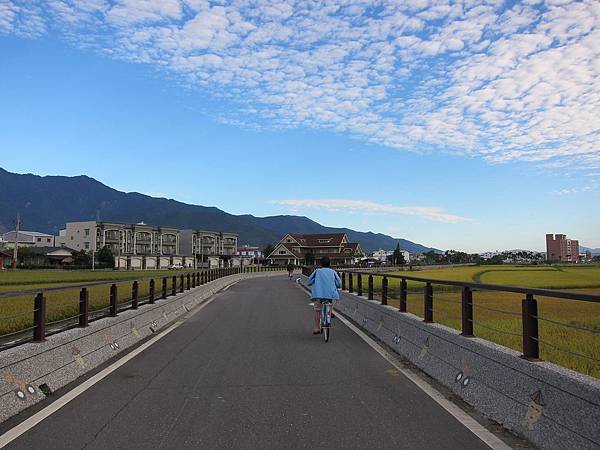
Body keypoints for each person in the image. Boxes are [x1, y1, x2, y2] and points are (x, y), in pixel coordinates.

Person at [307, 256, 341, 334]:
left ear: (321, 264)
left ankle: (317, 328)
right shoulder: (333, 271)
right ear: (330, 264)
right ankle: (330, 312)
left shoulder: (317, 271)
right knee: (330, 300)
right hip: (330, 294)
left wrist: (313, 282)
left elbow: (309, 281)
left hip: (319, 294)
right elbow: (339, 283)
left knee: (317, 310)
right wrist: (336, 285)